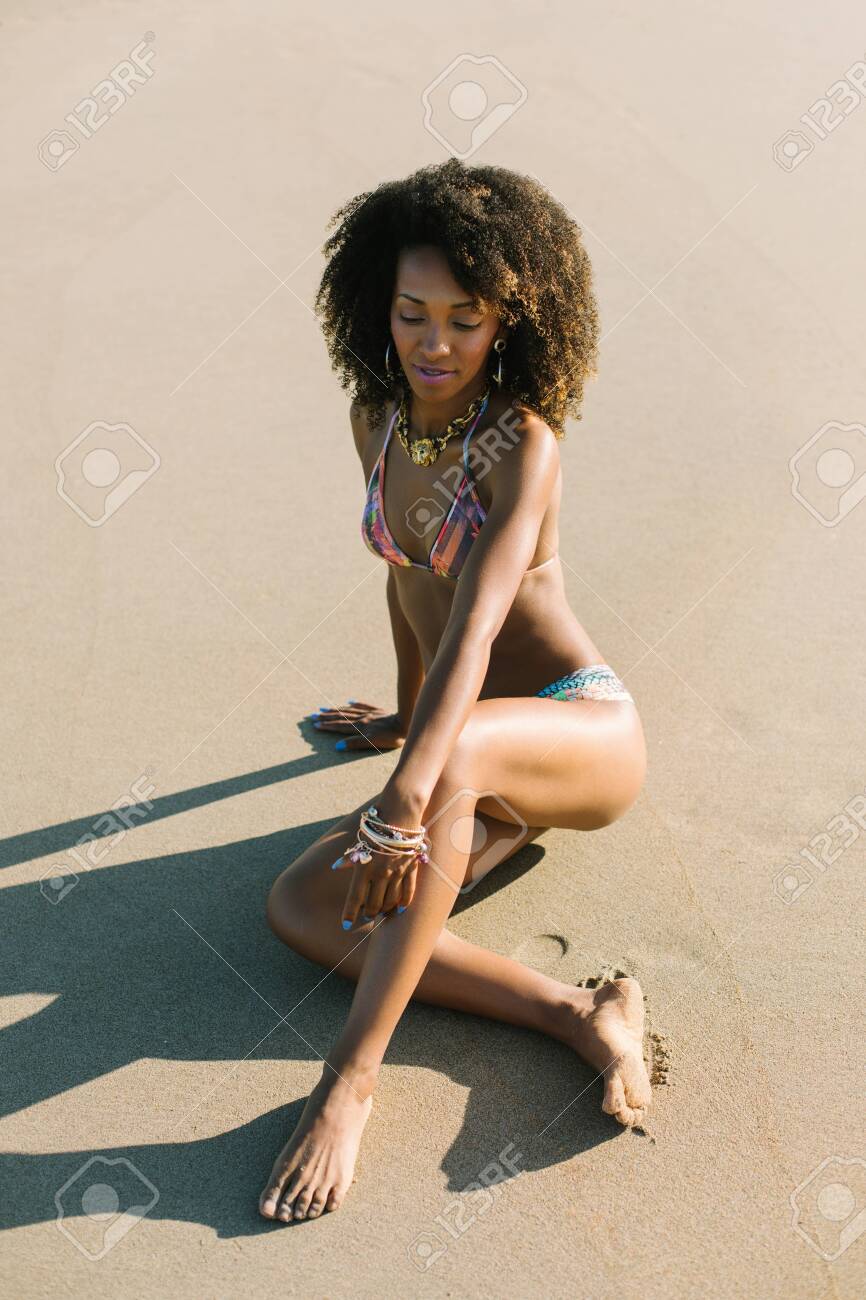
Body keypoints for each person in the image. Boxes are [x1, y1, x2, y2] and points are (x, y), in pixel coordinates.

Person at [260, 158, 651, 1223]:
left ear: (511, 322)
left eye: (464, 321)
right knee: (296, 904)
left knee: (459, 753)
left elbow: (475, 625)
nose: (433, 345)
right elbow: (408, 579)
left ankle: (350, 1077)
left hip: (578, 725)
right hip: (469, 744)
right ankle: (579, 1011)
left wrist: (407, 788)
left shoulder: (521, 448)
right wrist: (399, 715)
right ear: (374, 309)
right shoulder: (378, 418)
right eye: (410, 314)